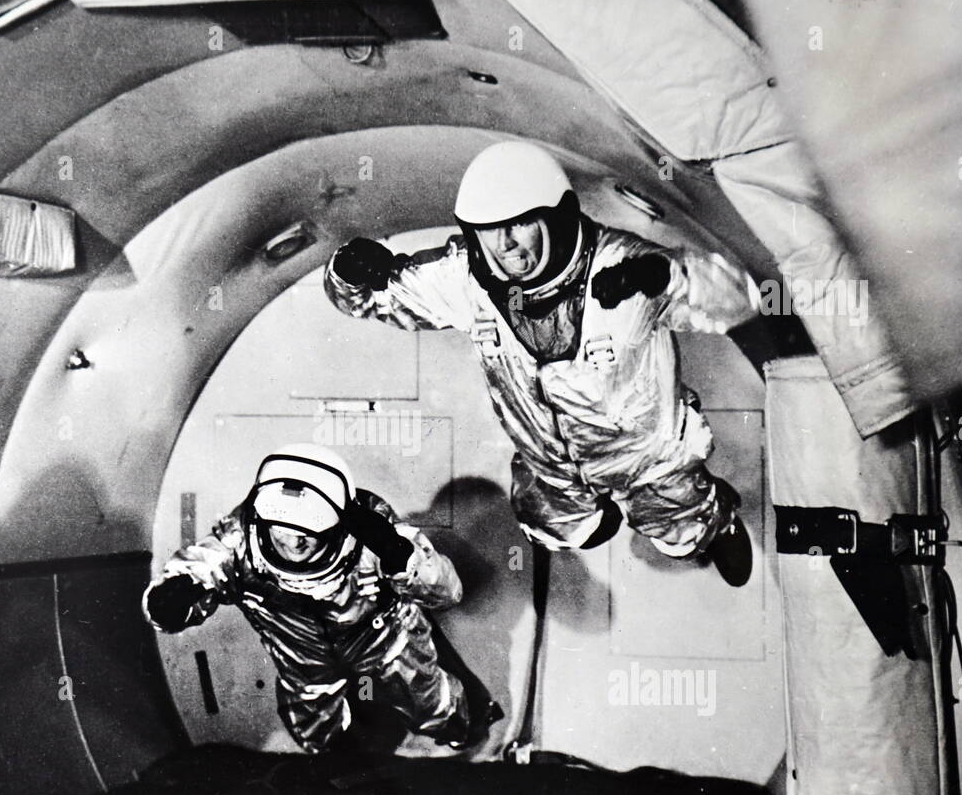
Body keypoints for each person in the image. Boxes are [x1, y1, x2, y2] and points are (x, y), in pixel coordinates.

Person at [323, 140, 758, 586]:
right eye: (488, 229)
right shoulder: (467, 279)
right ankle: (593, 518)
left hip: (646, 453)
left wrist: (666, 277)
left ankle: (713, 526)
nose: (504, 245)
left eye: (520, 224)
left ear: (558, 217)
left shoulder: (626, 268)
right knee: (561, 527)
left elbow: (742, 299)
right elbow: (371, 298)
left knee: (680, 525)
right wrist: (350, 272)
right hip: (547, 458)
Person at [142, 444, 489, 754]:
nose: (293, 547)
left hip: (382, 639)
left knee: (429, 705)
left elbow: (448, 591)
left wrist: (401, 558)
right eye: (282, 534)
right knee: (314, 729)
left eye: (307, 537)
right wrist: (173, 598)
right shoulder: (238, 543)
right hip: (299, 649)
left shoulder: (373, 534)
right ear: (264, 522)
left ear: (335, 526)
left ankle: (461, 732)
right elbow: (195, 569)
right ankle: (335, 769)